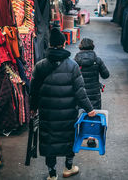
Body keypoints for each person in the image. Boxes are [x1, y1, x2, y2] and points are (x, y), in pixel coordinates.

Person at [30, 28, 96, 180]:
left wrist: (33, 108)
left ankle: (52, 174)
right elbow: (80, 92)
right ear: (64, 44)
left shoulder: (40, 66)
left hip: (47, 113)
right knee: (68, 139)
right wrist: (90, 109)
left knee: (49, 141)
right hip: (68, 114)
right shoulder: (72, 66)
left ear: (50, 44)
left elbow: (33, 91)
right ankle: (68, 168)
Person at [74, 38, 110, 147]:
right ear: (92, 46)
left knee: (78, 113)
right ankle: (91, 138)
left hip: (79, 93)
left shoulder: (75, 61)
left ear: (81, 46)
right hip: (94, 93)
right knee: (93, 114)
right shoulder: (97, 60)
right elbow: (106, 75)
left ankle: (76, 136)